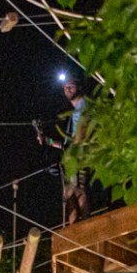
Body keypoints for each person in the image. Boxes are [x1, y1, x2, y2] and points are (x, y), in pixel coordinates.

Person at [37, 74, 90, 224]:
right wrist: (49, 141)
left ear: (79, 86)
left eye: (71, 86)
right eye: (65, 88)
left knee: (74, 192)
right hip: (74, 154)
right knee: (73, 192)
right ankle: (79, 226)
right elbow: (66, 143)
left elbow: (81, 135)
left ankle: (79, 227)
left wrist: (70, 151)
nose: (67, 89)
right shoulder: (76, 111)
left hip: (78, 154)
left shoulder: (84, 106)